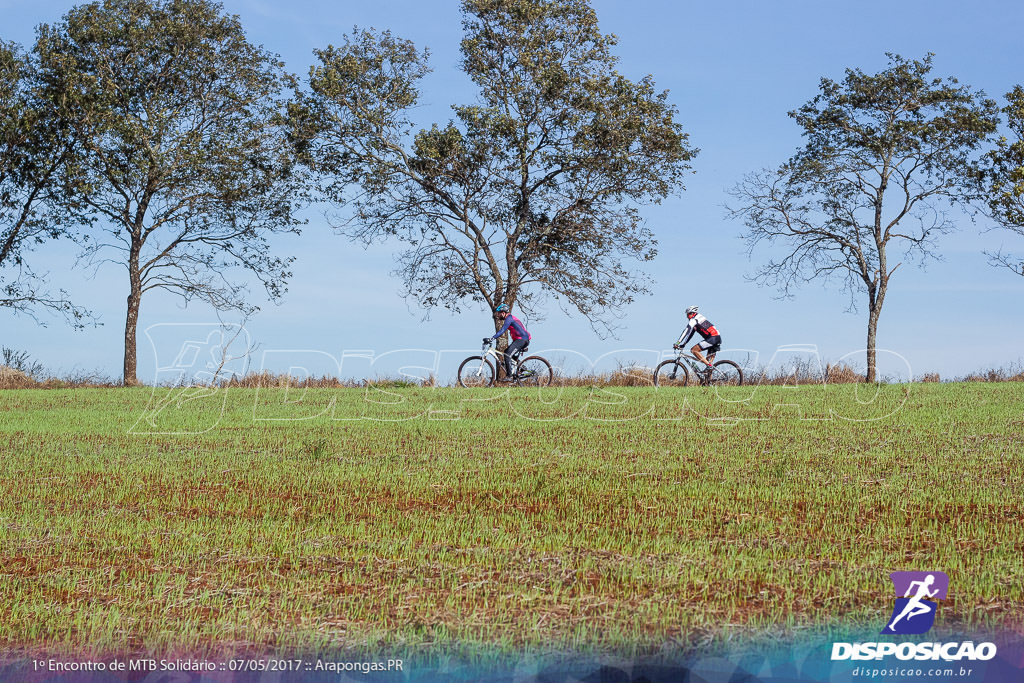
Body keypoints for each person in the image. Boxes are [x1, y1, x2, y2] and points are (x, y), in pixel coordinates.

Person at [485, 303, 531, 381]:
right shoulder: (510, 318)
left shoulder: (509, 319)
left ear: (503, 313)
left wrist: (491, 338)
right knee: (506, 351)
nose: (498, 315)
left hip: (522, 339)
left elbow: (502, 330)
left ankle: (509, 376)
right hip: (522, 339)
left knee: (507, 355)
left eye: (499, 313)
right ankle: (521, 367)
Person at [674, 305, 721, 371]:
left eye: (687, 315)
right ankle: (707, 380)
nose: (687, 317)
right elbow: (690, 334)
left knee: (694, 350)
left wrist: (678, 342)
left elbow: (686, 331)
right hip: (717, 338)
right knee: (707, 365)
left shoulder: (694, 320)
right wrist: (684, 344)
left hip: (713, 338)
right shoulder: (699, 318)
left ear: (692, 313)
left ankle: (709, 366)